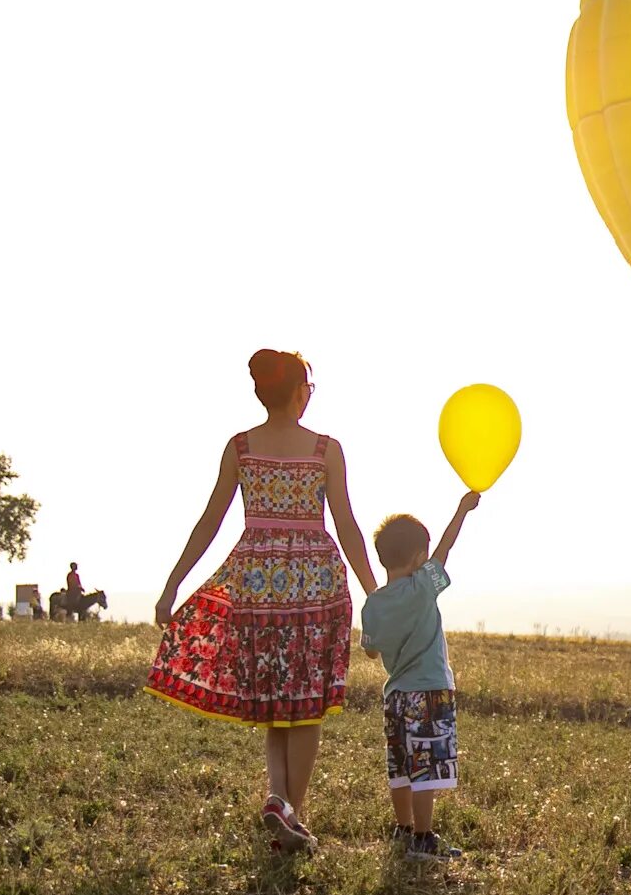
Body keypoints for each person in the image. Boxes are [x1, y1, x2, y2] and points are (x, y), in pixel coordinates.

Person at [146, 349, 378, 855]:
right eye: (309, 387)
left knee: (275, 702)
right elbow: (346, 525)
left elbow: (209, 521)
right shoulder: (325, 450)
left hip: (257, 582)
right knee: (307, 706)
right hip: (315, 583)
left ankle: (278, 799)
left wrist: (173, 583)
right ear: (298, 393)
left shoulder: (241, 447)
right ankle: (292, 813)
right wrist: (372, 591)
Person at [362, 492, 480, 863]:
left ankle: (403, 829)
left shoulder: (373, 604)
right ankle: (425, 838)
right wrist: (461, 509)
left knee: (401, 767)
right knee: (426, 770)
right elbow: (445, 551)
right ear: (417, 558)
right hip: (429, 691)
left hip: (395, 696)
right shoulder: (423, 587)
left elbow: (370, 650)